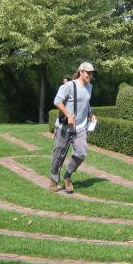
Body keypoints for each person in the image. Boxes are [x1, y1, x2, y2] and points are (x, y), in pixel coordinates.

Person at [49, 62, 98, 194]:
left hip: (80, 128)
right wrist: (68, 115)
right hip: (64, 127)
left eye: (92, 73)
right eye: (88, 73)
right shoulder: (69, 86)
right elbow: (57, 101)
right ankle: (54, 179)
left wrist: (90, 114)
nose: (90, 75)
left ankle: (67, 176)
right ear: (81, 72)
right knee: (58, 155)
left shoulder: (90, 87)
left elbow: (86, 102)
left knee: (81, 153)